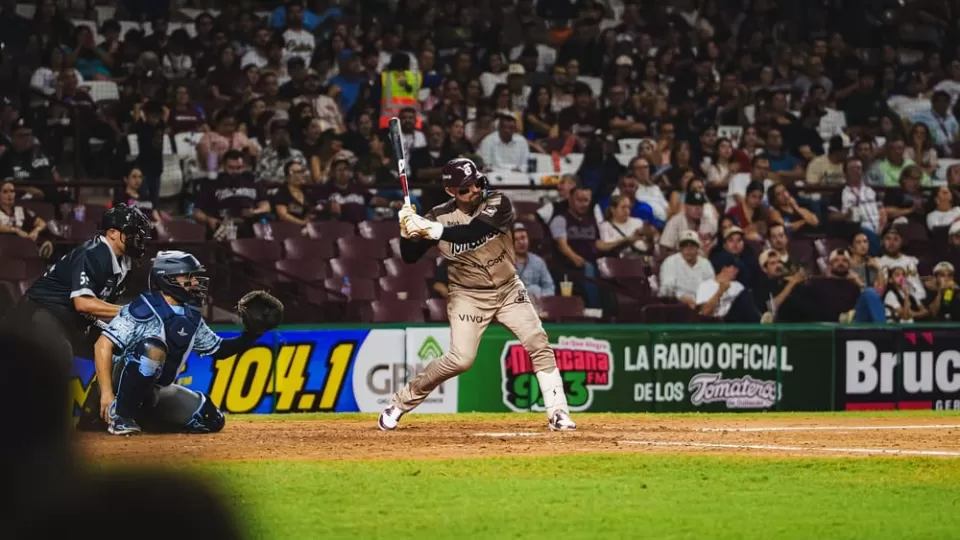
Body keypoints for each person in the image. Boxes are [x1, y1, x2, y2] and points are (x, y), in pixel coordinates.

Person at [383, 157, 576, 431]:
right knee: (461, 360)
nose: (474, 190)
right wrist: (407, 231)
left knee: (538, 342)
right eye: (465, 188)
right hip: (468, 295)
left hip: (509, 289)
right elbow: (409, 256)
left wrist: (428, 228)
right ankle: (400, 403)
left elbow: (472, 232)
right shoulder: (438, 215)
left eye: (477, 183)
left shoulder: (498, 203)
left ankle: (558, 413)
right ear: (451, 191)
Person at [87, 251, 281, 435]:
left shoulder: (191, 316)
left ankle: (145, 419)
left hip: (156, 389)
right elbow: (102, 345)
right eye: (188, 276)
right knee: (152, 349)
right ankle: (120, 416)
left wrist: (252, 334)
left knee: (210, 420)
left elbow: (219, 350)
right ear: (168, 279)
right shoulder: (141, 309)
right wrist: (106, 393)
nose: (195, 282)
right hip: (119, 384)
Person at [3, 205, 151, 364]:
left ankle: (105, 389)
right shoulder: (93, 252)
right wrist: (129, 311)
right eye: (130, 232)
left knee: (124, 347)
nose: (136, 237)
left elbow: (95, 309)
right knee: (60, 354)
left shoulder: (124, 263)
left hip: (71, 319)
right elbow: (83, 303)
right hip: (41, 313)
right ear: (112, 233)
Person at [659, 231, 715, 310]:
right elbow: (665, 290)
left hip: (701, 305)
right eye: (685, 246)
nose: (688, 249)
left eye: (692, 246)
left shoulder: (705, 263)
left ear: (697, 248)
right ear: (680, 248)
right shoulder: (671, 262)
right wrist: (681, 297)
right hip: (675, 306)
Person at [0, 180, 51, 258]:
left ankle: (40, 252)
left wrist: (36, 230)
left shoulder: (21, 210)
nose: (10, 195)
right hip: (4, 245)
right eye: (5, 192)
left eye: (12, 191)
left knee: (45, 238)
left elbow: (41, 223)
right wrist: (16, 230)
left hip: (22, 245)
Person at [513, 223, 554, 296]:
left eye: (523, 238)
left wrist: (539, 296)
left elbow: (550, 288)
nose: (521, 242)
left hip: (537, 304)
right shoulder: (504, 264)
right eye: (516, 239)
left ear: (528, 239)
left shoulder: (538, 261)